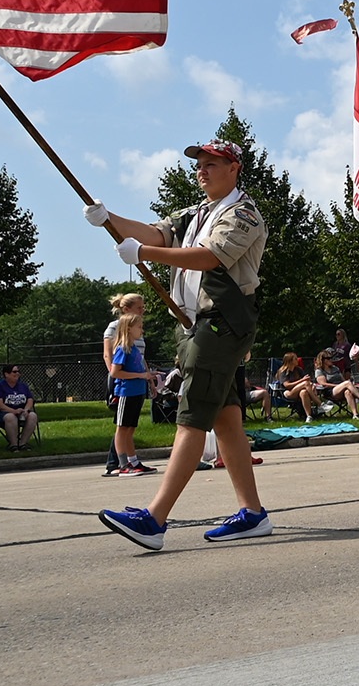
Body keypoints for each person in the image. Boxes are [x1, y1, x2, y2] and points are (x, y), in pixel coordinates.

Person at [91, 137, 271, 551]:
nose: (202, 170)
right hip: (197, 326)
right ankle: (252, 513)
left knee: (191, 416)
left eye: (212, 164)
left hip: (220, 326)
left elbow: (208, 257)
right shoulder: (196, 212)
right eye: (199, 164)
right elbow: (157, 232)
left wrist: (145, 254)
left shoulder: (243, 214)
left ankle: (154, 519)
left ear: (234, 169)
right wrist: (107, 218)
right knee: (226, 418)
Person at [106, 296, 155, 477]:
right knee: (122, 428)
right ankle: (122, 464)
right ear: (128, 329)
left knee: (131, 428)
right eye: (139, 327)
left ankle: (134, 461)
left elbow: (141, 366)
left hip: (137, 391)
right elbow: (115, 372)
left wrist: (149, 377)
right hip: (126, 392)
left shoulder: (134, 348)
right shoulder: (122, 348)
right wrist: (140, 375)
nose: (142, 330)